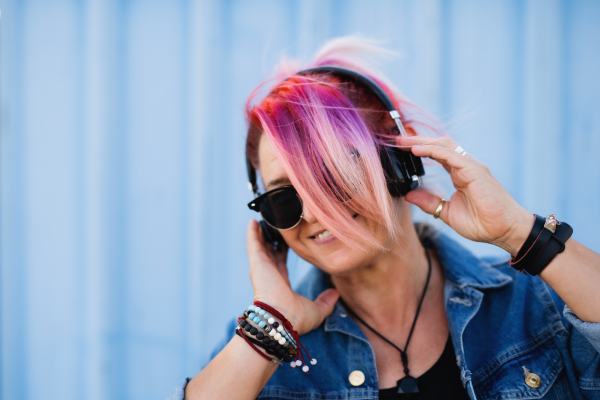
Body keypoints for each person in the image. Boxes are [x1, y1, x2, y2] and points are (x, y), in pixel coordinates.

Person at [169, 38, 600, 400]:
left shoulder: (533, 302)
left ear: (397, 163)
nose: (318, 210)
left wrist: (518, 233)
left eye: (333, 174)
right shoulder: (263, 346)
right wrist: (271, 328)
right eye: (284, 198)